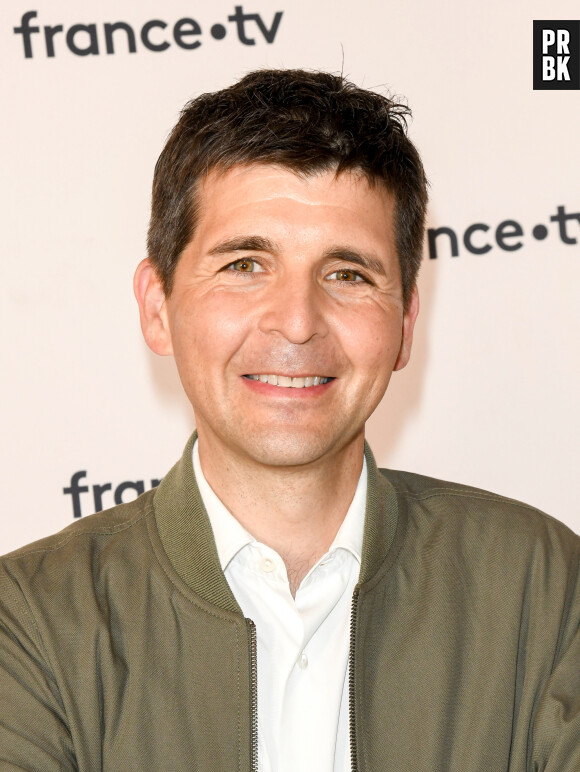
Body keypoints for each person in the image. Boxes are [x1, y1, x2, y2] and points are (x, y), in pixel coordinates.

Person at [0, 69, 578, 772]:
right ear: (157, 307)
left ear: (404, 324)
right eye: (246, 264)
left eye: (348, 275)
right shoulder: (28, 620)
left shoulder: (544, 590)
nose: (298, 323)